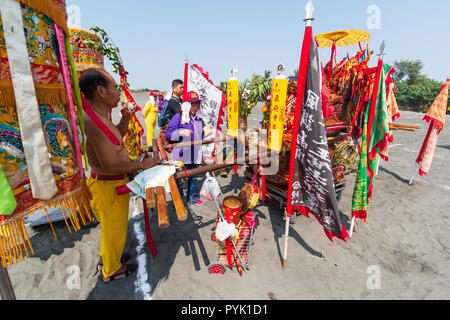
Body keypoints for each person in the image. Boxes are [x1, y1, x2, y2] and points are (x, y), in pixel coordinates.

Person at [79, 68, 161, 283]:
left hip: (112, 184)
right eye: (114, 88)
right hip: (107, 187)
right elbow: (110, 162)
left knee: (113, 230)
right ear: (100, 91)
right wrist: (142, 165)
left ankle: (109, 259)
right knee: (113, 231)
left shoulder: (100, 115)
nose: (118, 93)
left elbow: (116, 137)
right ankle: (111, 270)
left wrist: (125, 119)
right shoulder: (92, 121)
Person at [165, 91, 211, 205]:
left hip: (194, 154)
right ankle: (179, 201)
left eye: (197, 105)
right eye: (193, 104)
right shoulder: (179, 117)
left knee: (193, 177)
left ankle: (193, 198)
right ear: (187, 105)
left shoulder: (199, 119)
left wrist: (205, 133)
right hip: (181, 154)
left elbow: (199, 136)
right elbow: (168, 134)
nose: (196, 107)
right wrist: (180, 132)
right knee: (180, 179)